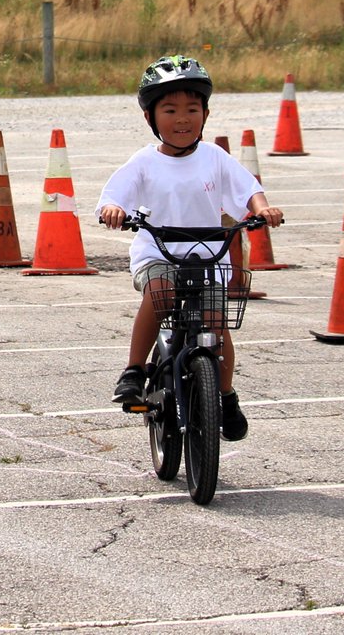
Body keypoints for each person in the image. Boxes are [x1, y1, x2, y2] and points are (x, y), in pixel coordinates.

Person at [97, 54, 283, 441]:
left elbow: (248, 189)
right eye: (169, 110)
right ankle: (134, 371)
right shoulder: (144, 162)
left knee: (217, 326)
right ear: (151, 118)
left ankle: (226, 396)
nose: (182, 118)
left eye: (192, 109)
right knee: (161, 293)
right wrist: (114, 209)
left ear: (206, 113)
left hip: (207, 255)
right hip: (158, 254)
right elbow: (115, 195)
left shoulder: (214, 157)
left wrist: (262, 209)